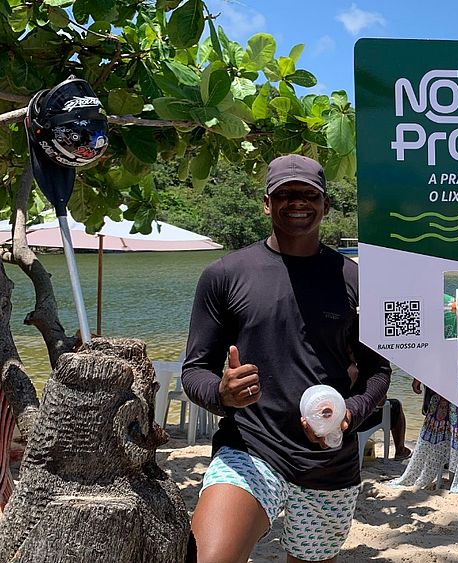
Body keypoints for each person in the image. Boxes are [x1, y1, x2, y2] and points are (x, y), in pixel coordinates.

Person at [181, 154, 391, 563]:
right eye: (285, 194)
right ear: (267, 203)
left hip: (330, 464)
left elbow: (378, 372)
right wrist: (222, 393)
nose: (297, 202)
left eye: (309, 195)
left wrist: (349, 414)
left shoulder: (356, 280)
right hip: (250, 449)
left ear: (325, 205)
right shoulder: (224, 275)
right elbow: (195, 370)